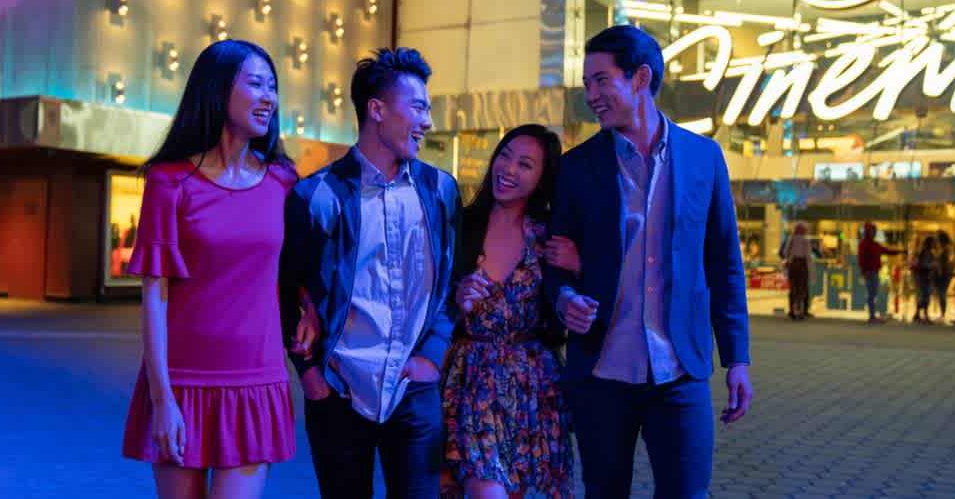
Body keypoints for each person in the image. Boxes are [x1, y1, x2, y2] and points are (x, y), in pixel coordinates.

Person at [543, 25, 753, 499]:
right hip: (601, 372)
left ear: (640, 77)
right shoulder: (576, 167)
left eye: (601, 81)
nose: (591, 95)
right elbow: (554, 261)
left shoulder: (704, 157)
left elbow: (724, 263)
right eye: (586, 84)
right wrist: (564, 297)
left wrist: (737, 359)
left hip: (679, 370)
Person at [278, 47, 461, 499]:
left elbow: (450, 285)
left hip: (413, 388)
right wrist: (310, 374)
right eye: (418, 107)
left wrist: (432, 357)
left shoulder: (441, 190)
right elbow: (286, 290)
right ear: (376, 109)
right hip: (338, 388)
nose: (428, 122)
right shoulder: (316, 195)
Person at [121, 40, 298, 499]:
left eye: (273, 87)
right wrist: (162, 400)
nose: (269, 98)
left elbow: (295, 270)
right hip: (182, 382)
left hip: (256, 379)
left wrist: (311, 310)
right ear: (218, 90)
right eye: (256, 84)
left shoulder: (282, 181)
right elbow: (155, 297)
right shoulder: (169, 181)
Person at [441, 124, 577, 499]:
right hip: (471, 380)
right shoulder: (460, 226)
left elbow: (577, 304)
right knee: (486, 490)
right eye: (504, 155)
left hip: (534, 386)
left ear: (542, 177)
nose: (508, 169)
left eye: (525, 164)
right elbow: (426, 302)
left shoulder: (548, 235)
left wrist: (577, 267)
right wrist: (456, 298)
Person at [858, 222, 903, 323]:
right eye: (872, 231)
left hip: (874, 272)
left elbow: (887, 251)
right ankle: (872, 316)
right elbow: (861, 259)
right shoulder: (865, 244)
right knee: (871, 294)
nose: (873, 233)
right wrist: (863, 271)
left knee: (873, 294)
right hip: (869, 272)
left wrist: (899, 251)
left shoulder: (875, 245)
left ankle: (872, 315)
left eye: (874, 232)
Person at [784, 223, 812, 321]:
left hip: (793, 265)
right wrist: (811, 271)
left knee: (793, 288)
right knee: (801, 289)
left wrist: (787, 267)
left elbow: (785, 253)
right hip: (802, 266)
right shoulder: (805, 240)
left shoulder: (791, 240)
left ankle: (792, 310)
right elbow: (808, 256)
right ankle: (799, 311)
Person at [912, 236, 938, 323]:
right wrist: (932, 265)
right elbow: (926, 265)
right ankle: (923, 315)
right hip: (925, 277)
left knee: (922, 296)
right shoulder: (927, 253)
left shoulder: (921, 252)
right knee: (925, 296)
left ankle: (918, 314)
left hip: (921, 277)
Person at [935, 231, 955, 320]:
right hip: (943, 273)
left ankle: (942, 314)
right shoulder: (943, 248)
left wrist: (945, 270)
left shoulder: (948, 248)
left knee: (942, 293)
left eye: (937, 238)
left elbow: (950, 261)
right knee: (941, 293)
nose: (936, 240)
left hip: (944, 274)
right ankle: (942, 313)